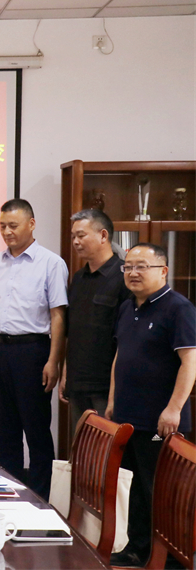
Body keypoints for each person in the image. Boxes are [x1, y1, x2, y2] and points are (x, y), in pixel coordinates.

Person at [0, 199, 67, 499]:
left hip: (32, 351)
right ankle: (7, 494)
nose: (7, 232)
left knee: (36, 429)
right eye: (2, 226)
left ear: (31, 224)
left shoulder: (51, 263)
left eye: (13, 225)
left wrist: (54, 361)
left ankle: (40, 499)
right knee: (5, 427)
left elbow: (58, 315)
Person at [106, 243, 195, 567]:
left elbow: (190, 362)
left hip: (161, 420)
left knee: (162, 491)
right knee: (137, 488)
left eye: (142, 266)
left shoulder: (178, 308)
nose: (133, 272)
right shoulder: (127, 307)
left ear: (163, 271)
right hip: (129, 417)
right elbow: (121, 355)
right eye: (128, 266)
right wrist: (113, 399)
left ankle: (171, 558)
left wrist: (173, 409)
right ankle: (138, 549)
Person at [61, 209, 130, 430]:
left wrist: (115, 391)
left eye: (81, 235)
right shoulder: (79, 278)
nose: (75, 242)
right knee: (81, 446)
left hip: (106, 387)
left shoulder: (124, 278)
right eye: (73, 236)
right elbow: (73, 331)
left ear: (103, 235)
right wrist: (65, 374)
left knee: (106, 446)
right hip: (77, 384)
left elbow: (126, 339)